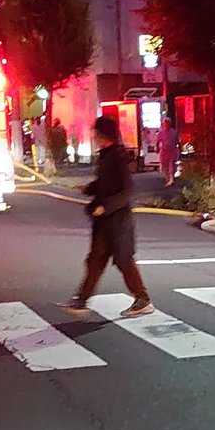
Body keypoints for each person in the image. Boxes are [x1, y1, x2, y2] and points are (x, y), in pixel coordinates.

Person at [65, 114, 153, 318]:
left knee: (123, 260)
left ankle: (142, 299)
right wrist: (89, 188)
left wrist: (105, 207)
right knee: (95, 260)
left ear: (104, 134)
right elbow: (105, 183)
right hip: (105, 222)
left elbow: (127, 190)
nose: (94, 136)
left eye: (97, 133)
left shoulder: (117, 157)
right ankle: (81, 299)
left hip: (118, 221)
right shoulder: (106, 155)